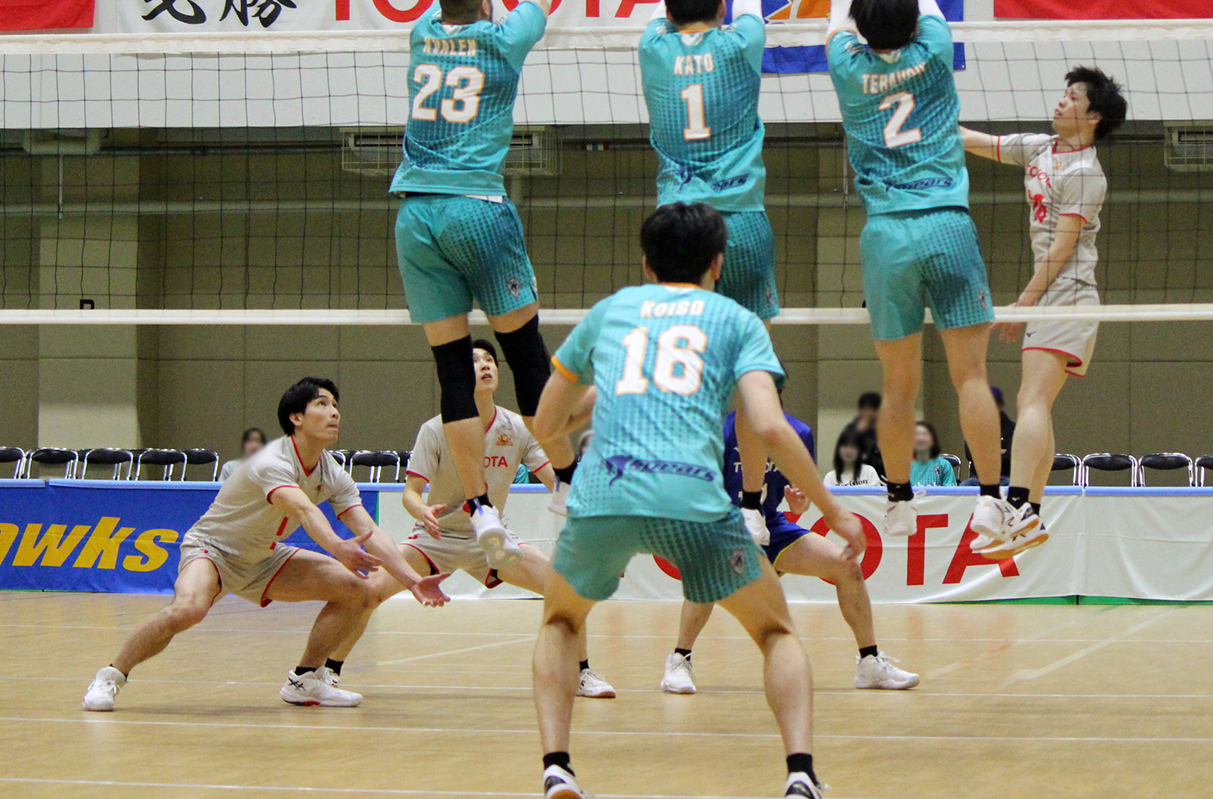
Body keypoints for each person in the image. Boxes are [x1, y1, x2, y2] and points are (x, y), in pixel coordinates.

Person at [528, 202, 864, 799]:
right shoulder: (738, 320)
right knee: (776, 633)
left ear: (646, 263)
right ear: (717, 263)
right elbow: (770, 426)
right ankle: (800, 774)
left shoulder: (610, 312)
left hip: (604, 494)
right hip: (692, 499)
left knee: (560, 620)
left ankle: (557, 767)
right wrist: (835, 511)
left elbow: (546, 425)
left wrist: (602, 402)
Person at [392, 0, 634, 569]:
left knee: (452, 370)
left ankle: (481, 509)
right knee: (526, 353)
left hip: (415, 216)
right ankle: (567, 484)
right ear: (485, 5)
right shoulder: (503, 41)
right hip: (477, 209)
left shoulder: (422, 32)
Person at [805, 0, 1007, 549]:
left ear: (862, 32)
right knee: (971, 375)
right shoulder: (934, 51)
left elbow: (840, 6)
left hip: (888, 233)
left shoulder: (847, 67)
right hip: (948, 221)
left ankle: (896, 500)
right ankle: (989, 499)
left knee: (898, 383)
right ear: (915, 25)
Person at [81, 379, 446, 713]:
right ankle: (111, 676)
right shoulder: (271, 460)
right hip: (214, 550)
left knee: (359, 591)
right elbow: (302, 509)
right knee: (188, 610)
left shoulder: (332, 472)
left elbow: (369, 530)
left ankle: (305, 680)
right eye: (322, 404)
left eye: (336, 405)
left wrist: (413, 581)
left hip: (263, 558)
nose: (334, 412)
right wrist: (337, 547)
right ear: (296, 418)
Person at [329, 339, 615, 699]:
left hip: (493, 542)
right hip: (435, 539)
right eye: (475, 360)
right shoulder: (435, 429)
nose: (485, 365)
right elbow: (410, 493)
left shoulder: (517, 427)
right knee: (368, 592)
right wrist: (422, 511)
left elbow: (554, 481)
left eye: (490, 359)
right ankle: (326, 672)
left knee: (565, 590)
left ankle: (582, 673)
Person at [639, 0, 790, 539]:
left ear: (669, 11)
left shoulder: (653, 46)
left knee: (679, 368)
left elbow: (670, 1)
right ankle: (753, 505)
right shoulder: (741, 43)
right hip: (741, 223)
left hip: (677, 226)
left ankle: (684, 493)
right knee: (749, 373)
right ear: (722, 8)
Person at [960, 66, 1125, 558]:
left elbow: (1062, 248)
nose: (1061, 101)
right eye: (1064, 93)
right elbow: (979, 142)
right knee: (1039, 401)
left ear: (1093, 117)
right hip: (1053, 297)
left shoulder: (1086, 174)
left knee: (1030, 399)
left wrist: (1022, 305)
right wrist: (926, 115)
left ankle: (1017, 505)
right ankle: (1030, 512)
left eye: (1073, 97)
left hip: (1068, 294)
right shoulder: (1040, 148)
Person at [661, 404, 919, 696]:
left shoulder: (798, 432)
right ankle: (679, 660)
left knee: (846, 565)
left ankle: (869, 662)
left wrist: (800, 502)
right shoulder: (719, 431)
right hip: (726, 528)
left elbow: (801, 500)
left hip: (772, 528)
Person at [909, 421, 956, 487]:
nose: (921, 438)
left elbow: (951, 491)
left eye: (924, 434)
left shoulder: (944, 465)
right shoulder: (903, 465)